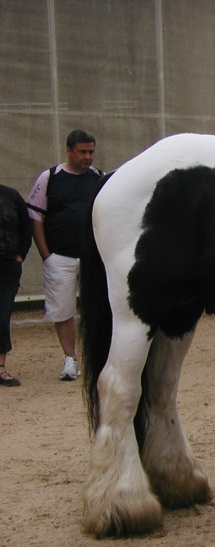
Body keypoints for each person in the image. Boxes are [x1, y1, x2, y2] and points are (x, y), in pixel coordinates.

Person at [27, 129, 104, 381]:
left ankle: (98, 357)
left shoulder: (99, 178)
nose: (88, 157)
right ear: (69, 150)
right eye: (82, 152)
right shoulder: (50, 177)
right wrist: (46, 254)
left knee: (99, 306)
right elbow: (35, 216)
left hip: (93, 256)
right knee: (62, 309)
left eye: (91, 152)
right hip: (59, 255)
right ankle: (70, 358)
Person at [0, 183, 33, 386]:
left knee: (2, 314)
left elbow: (26, 227)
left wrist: (20, 255)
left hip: (7, 264)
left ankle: (1, 369)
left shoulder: (11, 196)